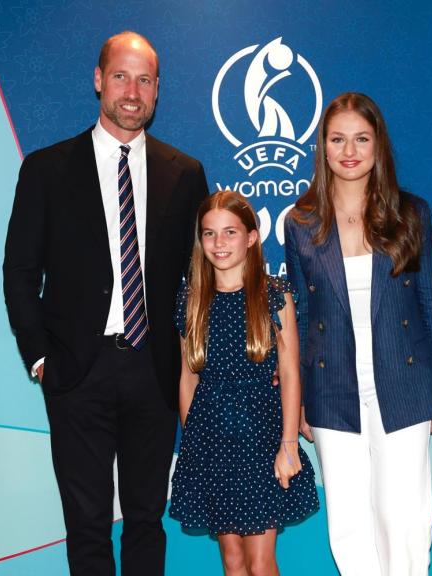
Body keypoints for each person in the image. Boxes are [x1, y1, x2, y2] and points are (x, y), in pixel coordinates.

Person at [2, 31, 207, 576]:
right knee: (87, 526)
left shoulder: (185, 174)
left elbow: (199, 277)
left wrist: (191, 359)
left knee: (146, 520)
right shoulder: (46, 170)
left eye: (144, 80)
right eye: (121, 76)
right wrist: (41, 358)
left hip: (155, 372)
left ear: (158, 90)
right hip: (76, 373)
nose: (132, 91)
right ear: (98, 81)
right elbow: (20, 273)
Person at [283, 92, 432, 576]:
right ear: (324, 148)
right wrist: (305, 399)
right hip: (333, 389)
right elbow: (302, 313)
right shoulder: (300, 222)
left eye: (361, 138)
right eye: (338, 139)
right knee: (348, 522)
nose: (349, 150)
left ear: (378, 145)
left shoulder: (411, 213)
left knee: (404, 518)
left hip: (406, 382)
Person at [169, 190, 318, 575]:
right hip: (212, 444)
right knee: (232, 562)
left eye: (230, 232)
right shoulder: (192, 299)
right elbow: (188, 377)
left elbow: (289, 373)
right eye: (209, 233)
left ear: (251, 237)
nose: (219, 243)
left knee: (260, 561)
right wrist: (194, 446)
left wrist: (288, 445)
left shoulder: (273, 295)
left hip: (261, 440)